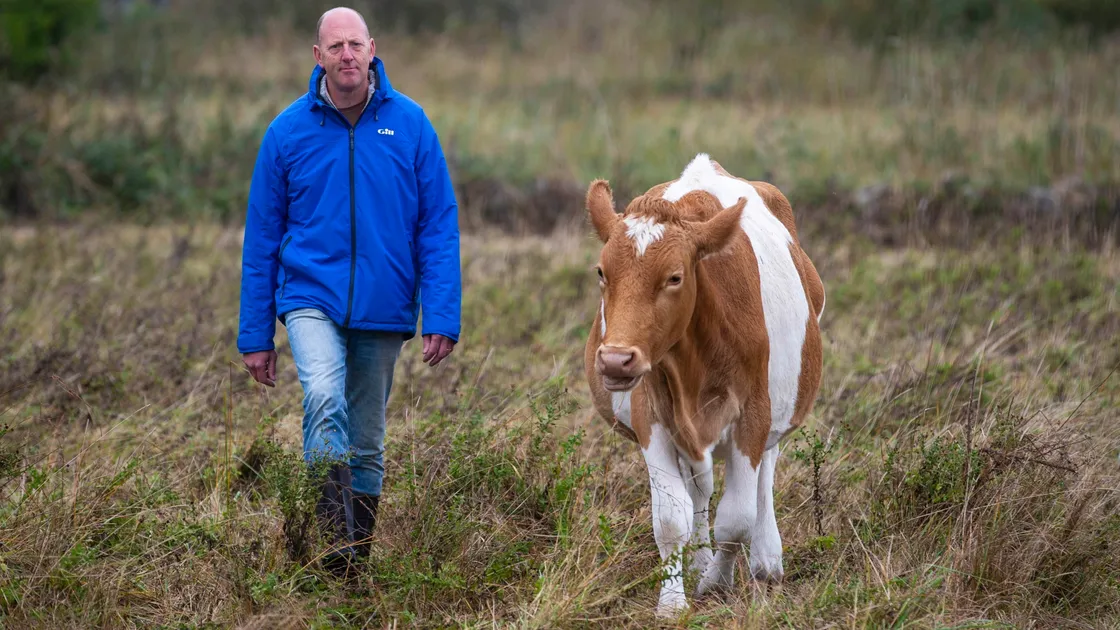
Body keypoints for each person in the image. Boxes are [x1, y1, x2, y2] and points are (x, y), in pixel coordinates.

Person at [236, 6, 461, 576]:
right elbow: (261, 237)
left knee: (366, 438)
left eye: (355, 44)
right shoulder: (287, 131)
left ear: (372, 49)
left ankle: (349, 569)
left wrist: (441, 313)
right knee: (323, 398)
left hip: (385, 303)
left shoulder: (410, 125)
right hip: (309, 296)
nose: (346, 55)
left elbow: (437, 224)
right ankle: (332, 556)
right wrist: (255, 335)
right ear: (318, 57)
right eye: (334, 46)